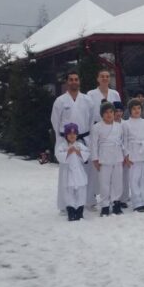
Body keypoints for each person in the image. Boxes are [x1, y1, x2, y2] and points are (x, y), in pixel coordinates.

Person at [50, 71, 94, 211]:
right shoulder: (60, 101)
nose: (74, 82)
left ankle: (86, 202)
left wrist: (90, 139)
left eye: (76, 79)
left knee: (86, 172)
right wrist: (60, 140)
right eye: (71, 79)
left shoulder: (87, 100)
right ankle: (66, 204)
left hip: (84, 138)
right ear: (67, 82)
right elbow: (55, 121)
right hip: (66, 140)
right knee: (66, 173)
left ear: (79, 81)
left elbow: (91, 120)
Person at [90, 102, 127, 216]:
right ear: (102, 114)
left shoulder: (119, 126)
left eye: (111, 112)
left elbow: (123, 142)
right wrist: (95, 159)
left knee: (117, 181)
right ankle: (105, 205)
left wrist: (126, 155)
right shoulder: (97, 127)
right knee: (104, 182)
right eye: (106, 112)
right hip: (104, 157)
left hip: (117, 156)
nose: (109, 114)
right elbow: (94, 144)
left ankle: (116, 202)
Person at [122, 99, 144, 213]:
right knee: (134, 178)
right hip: (133, 153)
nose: (136, 111)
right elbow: (124, 141)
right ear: (130, 110)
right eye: (134, 108)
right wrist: (126, 155)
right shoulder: (126, 124)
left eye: (138, 108)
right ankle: (137, 202)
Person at [55, 123, 89, 221]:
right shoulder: (63, 146)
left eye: (74, 134)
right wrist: (68, 152)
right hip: (68, 173)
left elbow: (87, 154)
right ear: (66, 136)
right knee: (69, 193)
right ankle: (71, 211)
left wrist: (79, 152)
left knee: (81, 192)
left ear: (77, 135)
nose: (72, 136)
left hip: (79, 173)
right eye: (69, 134)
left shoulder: (79, 145)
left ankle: (79, 211)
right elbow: (58, 155)